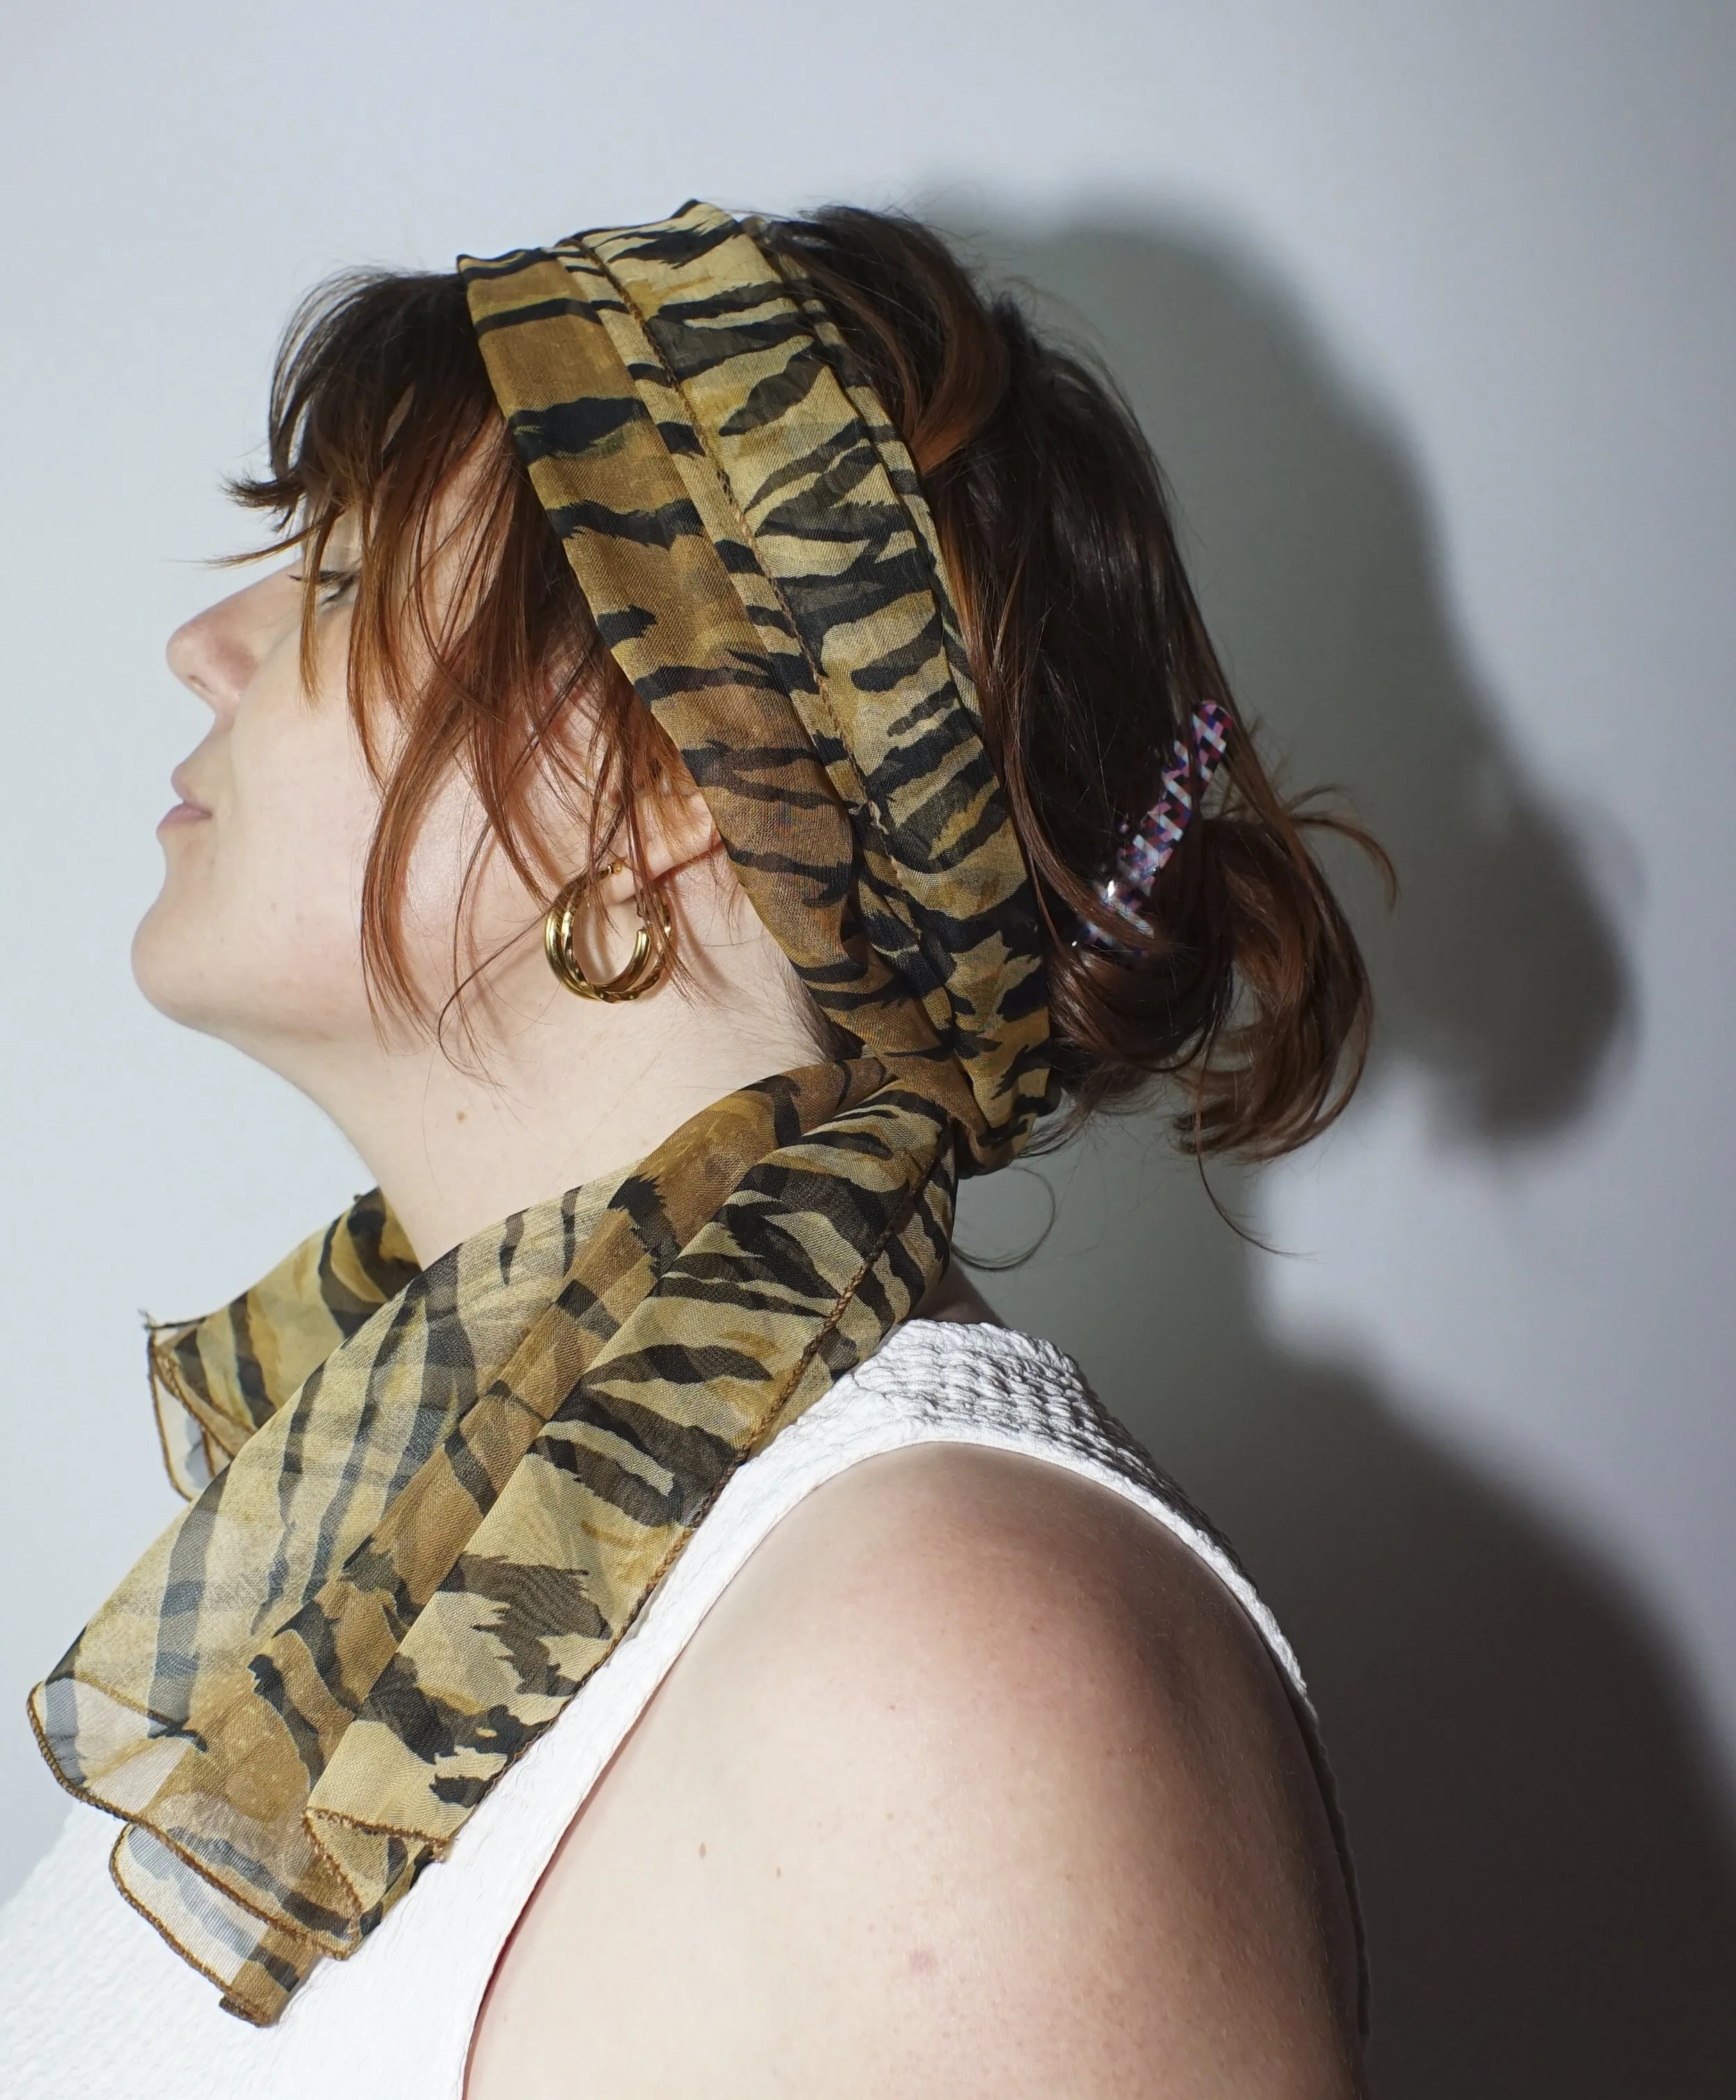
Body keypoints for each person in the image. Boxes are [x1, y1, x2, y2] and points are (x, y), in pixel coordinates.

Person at [1, 202, 1377, 2097]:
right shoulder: (464, 1502)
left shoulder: (952, 1654)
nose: (203, 645)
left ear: (662, 778)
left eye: (345, 578)